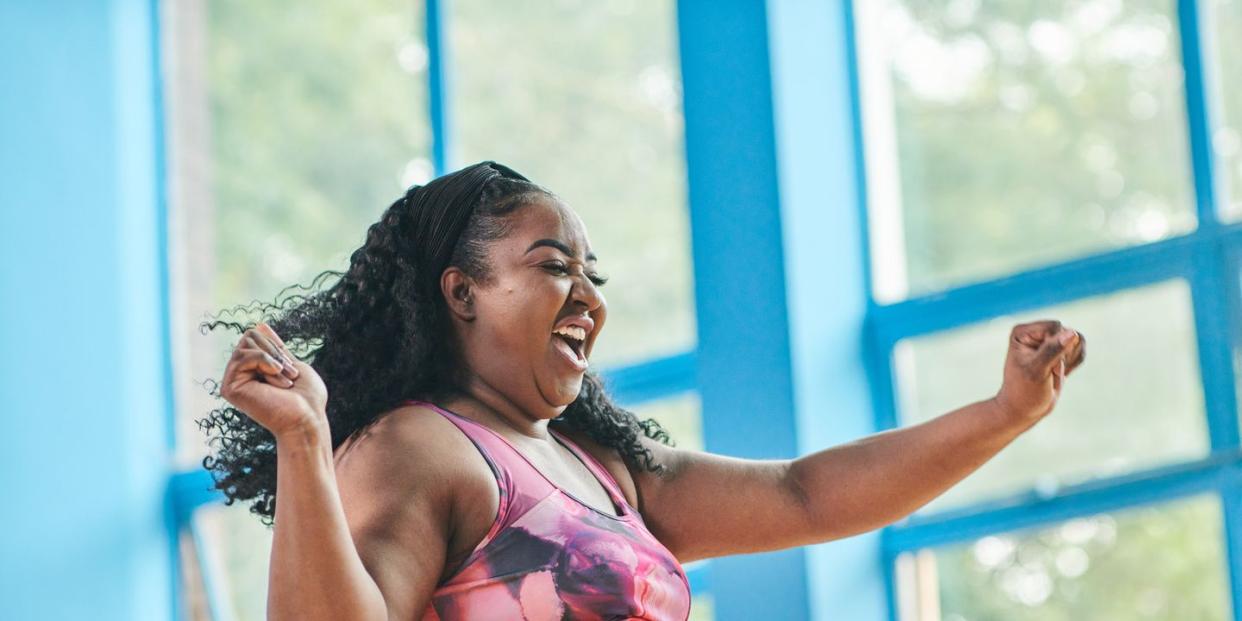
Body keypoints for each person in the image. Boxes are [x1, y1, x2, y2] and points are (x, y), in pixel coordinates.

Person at [202, 161, 1085, 620]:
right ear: (461, 292)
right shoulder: (418, 446)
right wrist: (305, 445)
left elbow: (806, 495)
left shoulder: (608, 470)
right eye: (554, 269)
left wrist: (1003, 412)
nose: (589, 298)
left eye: (595, 275)